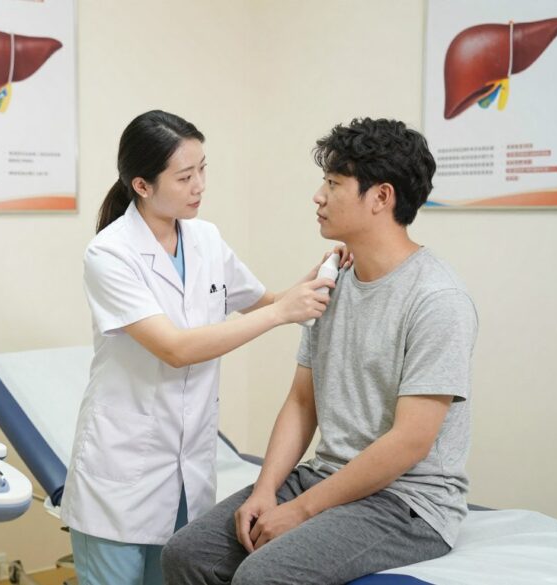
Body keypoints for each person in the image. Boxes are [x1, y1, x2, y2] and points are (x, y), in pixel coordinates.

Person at [161, 117, 479, 585]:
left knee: (263, 575)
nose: (318, 196)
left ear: (381, 198)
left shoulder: (437, 299)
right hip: (326, 475)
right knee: (187, 554)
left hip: (408, 501)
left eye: (333, 183)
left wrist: (302, 510)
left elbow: (411, 441)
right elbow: (302, 401)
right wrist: (266, 491)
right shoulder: (332, 282)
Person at [60, 110, 345, 585]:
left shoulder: (205, 238)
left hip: (187, 469)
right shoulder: (109, 254)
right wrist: (281, 312)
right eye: (185, 176)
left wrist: (315, 279)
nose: (200, 186)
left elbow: (264, 301)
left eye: (203, 170)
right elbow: (174, 348)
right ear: (143, 185)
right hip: (122, 472)